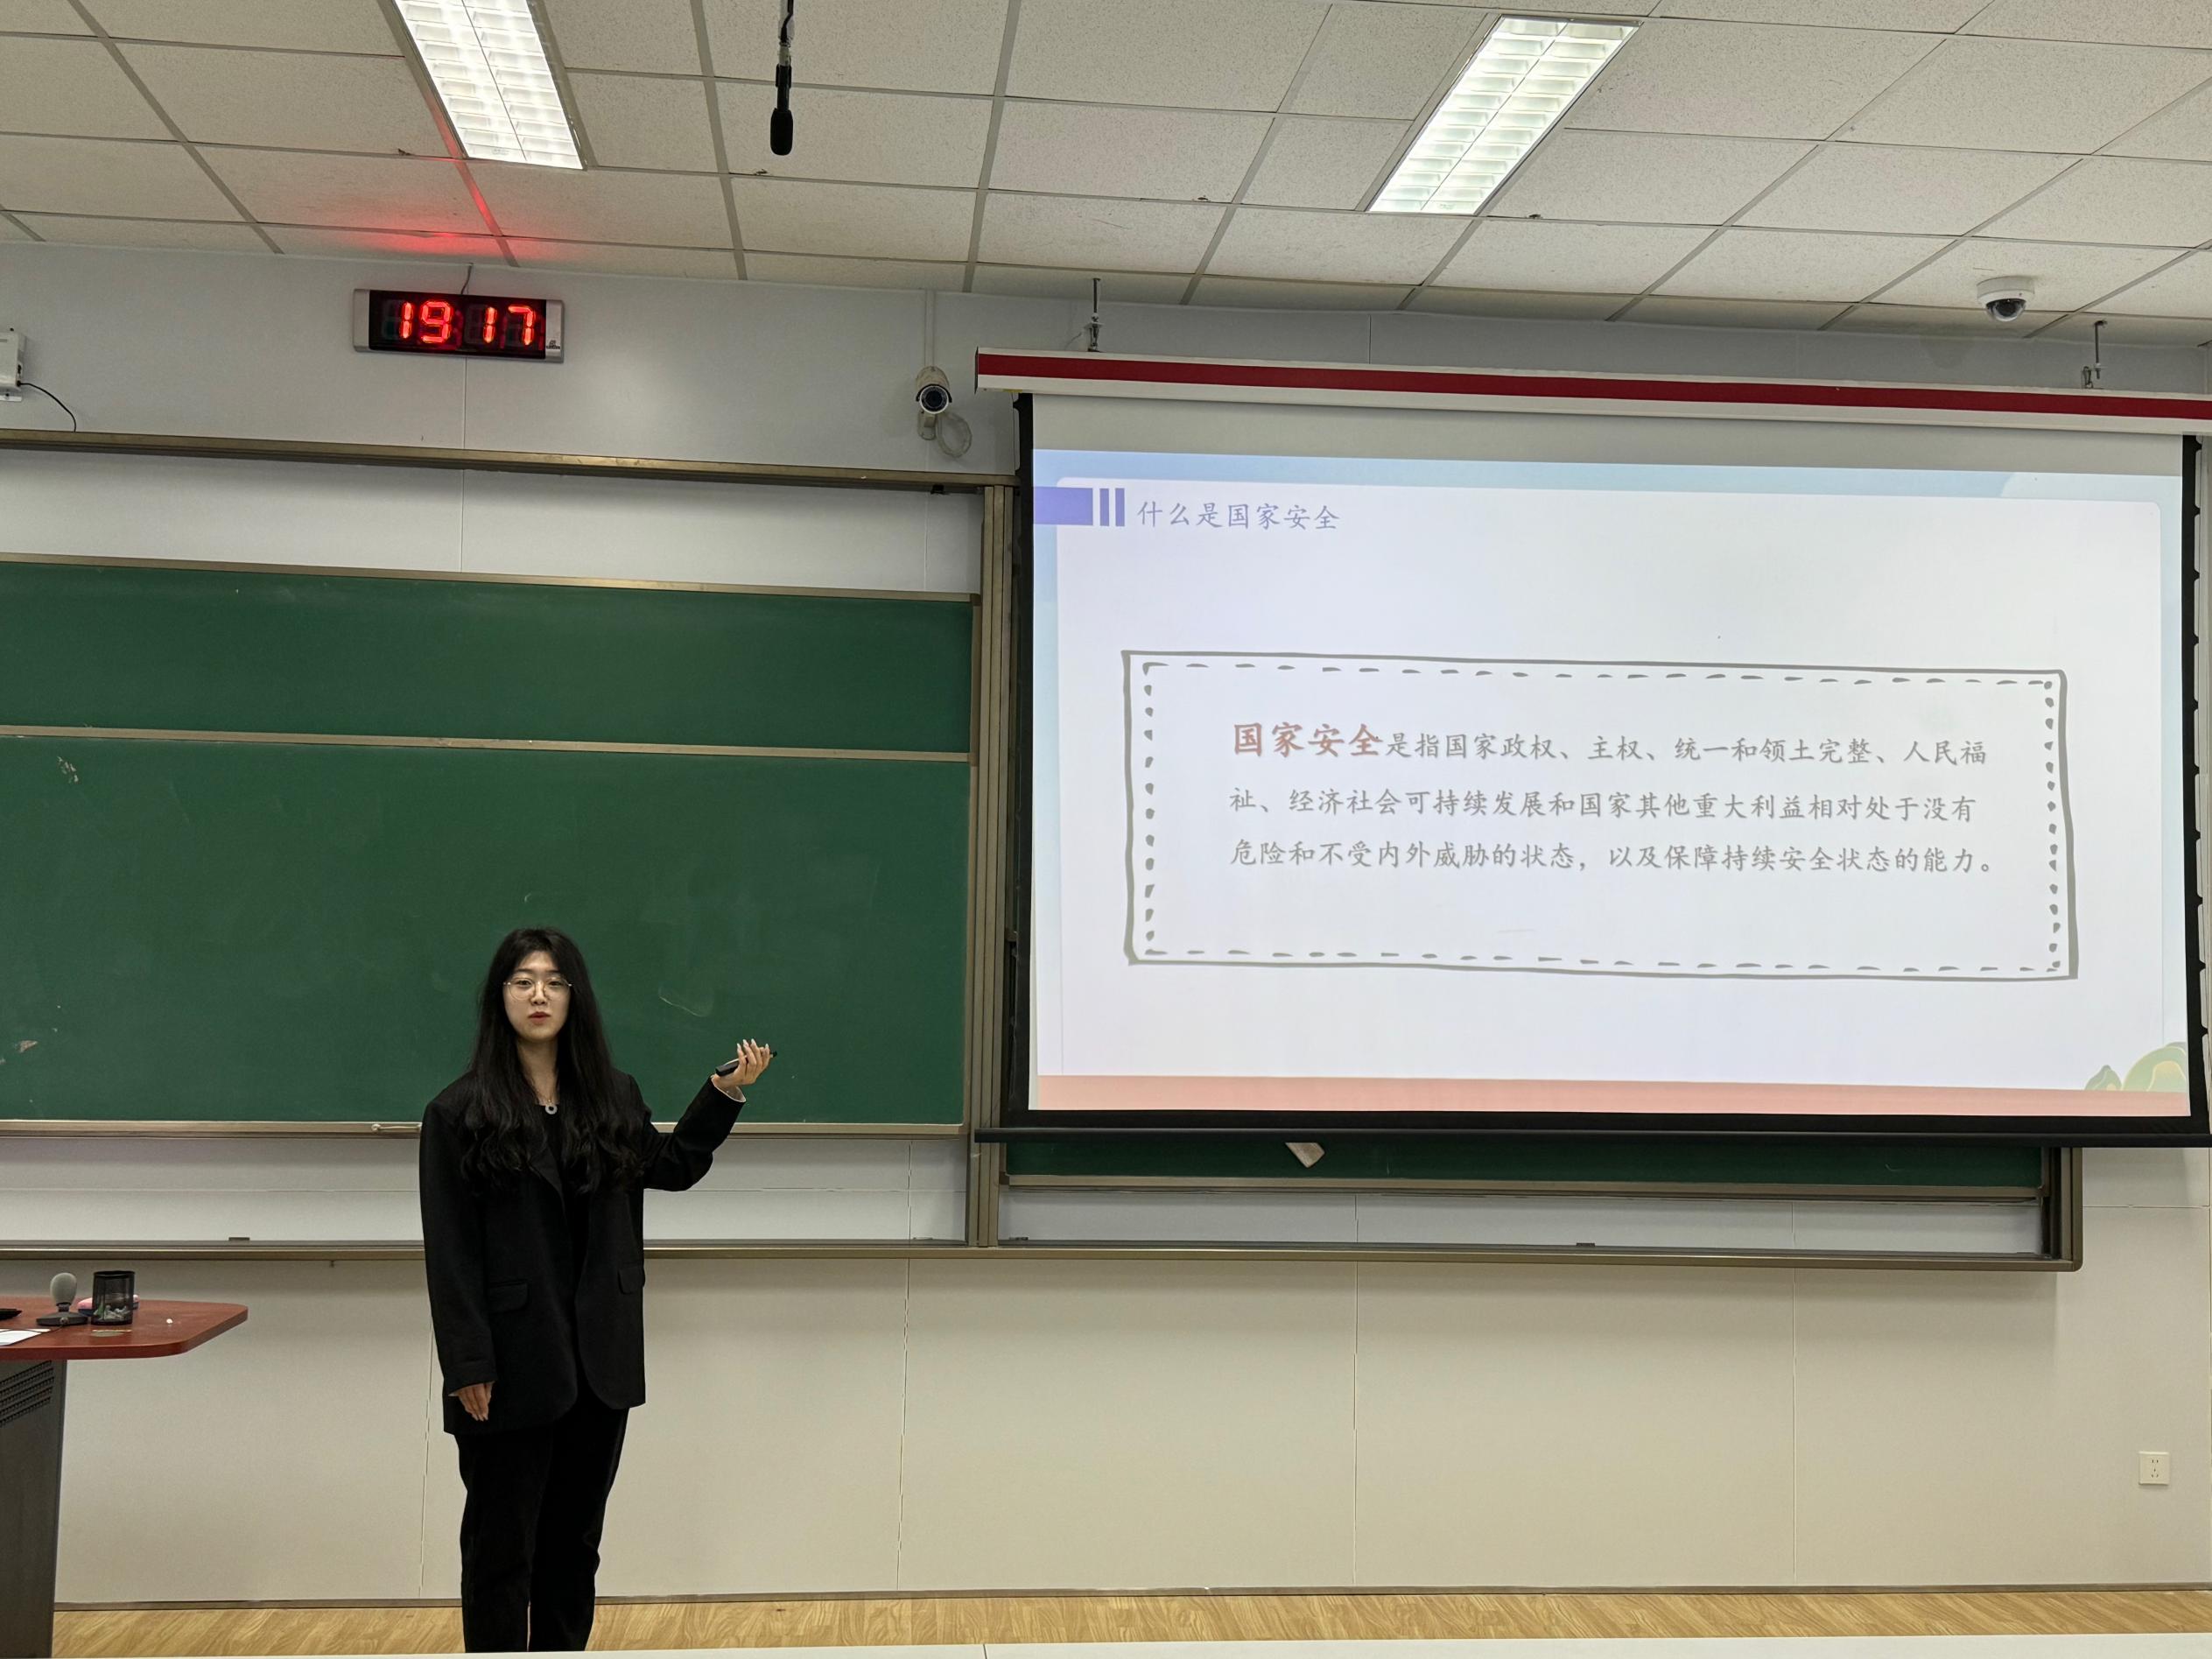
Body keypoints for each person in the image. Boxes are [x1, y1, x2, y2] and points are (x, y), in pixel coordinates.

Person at [418, 926, 770, 1653]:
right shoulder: (458, 1112)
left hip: (599, 1361)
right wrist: (467, 1362)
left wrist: (721, 1093)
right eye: (523, 980)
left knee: (573, 1545)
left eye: (554, 981)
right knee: (499, 1549)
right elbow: (449, 1252)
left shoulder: (612, 1096)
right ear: (499, 997)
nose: (539, 994)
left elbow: (670, 1166)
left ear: (575, 997)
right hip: (508, 1364)